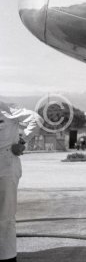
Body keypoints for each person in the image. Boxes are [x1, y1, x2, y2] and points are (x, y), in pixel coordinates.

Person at [0, 100, 41, 262]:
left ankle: (7, 258)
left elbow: (35, 119)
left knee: (5, 215)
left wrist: (21, 142)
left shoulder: (5, 108)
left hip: (6, 164)